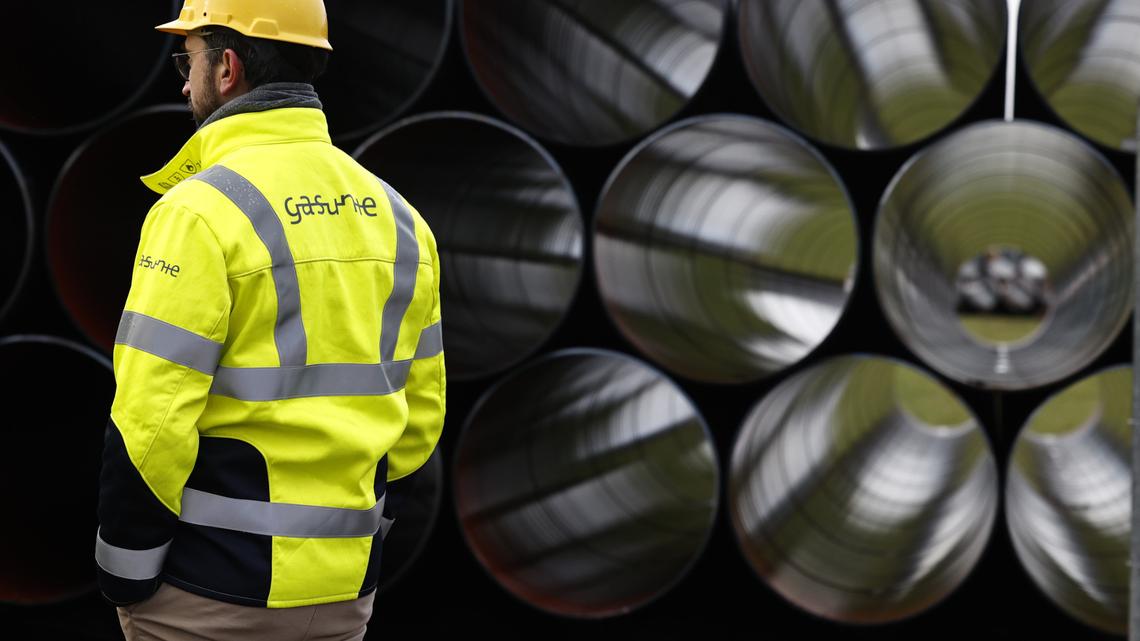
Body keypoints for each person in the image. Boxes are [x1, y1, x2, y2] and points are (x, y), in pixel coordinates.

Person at [94, 1, 446, 639]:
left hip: (210, 596)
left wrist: (125, 576)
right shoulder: (401, 219)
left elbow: (150, 424)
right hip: (343, 599)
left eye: (189, 59)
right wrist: (350, 548)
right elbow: (419, 426)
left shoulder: (198, 213)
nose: (182, 81)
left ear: (226, 68)